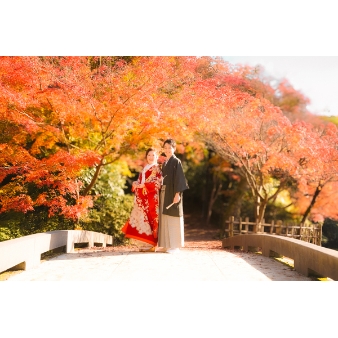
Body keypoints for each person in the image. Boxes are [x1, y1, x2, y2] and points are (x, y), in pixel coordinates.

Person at [121, 148, 163, 252]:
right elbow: (140, 180)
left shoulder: (156, 168)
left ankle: (151, 244)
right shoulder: (145, 168)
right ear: (146, 156)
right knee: (142, 219)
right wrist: (136, 183)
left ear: (156, 157)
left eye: (153, 155)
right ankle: (145, 243)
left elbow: (157, 182)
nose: (151, 157)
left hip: (150, 196)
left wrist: (143, 185)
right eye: (149, 155)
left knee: (150, 218)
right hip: (142, 196)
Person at [158, 139, 189, 254]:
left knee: (173, 218)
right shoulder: (165, 163)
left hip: (173, 193)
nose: (167, 150)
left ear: (174, 149)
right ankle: (167, 244)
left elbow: (179, 179)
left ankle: (175, 246)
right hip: (165, 193)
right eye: (165, 148)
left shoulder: (176, 161)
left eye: (169, 148)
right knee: (165, 217)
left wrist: (177, 194)